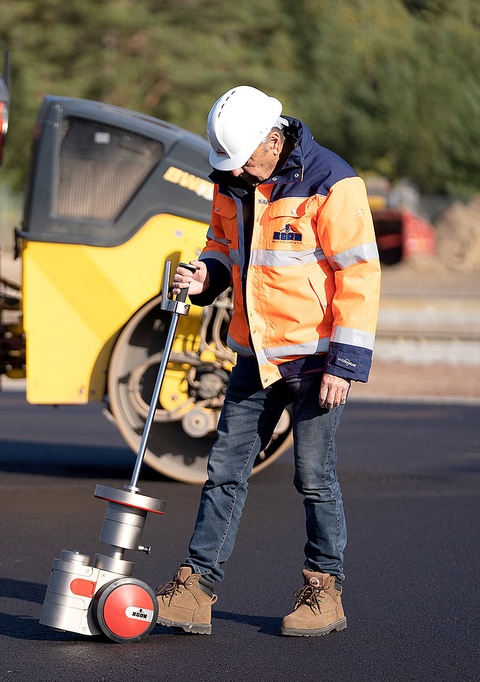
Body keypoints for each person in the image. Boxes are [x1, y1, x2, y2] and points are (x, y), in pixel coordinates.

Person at [154, 85, 381, 637]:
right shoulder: (232, 182)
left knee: (314, 478)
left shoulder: (333, 182)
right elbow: (221, 250)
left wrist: (344, 365)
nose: (241, 172)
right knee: (224, 472)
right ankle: (196, 590)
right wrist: (203, 277)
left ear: (273, 140)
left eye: (248, 160)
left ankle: (324, 593)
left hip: (316, 361)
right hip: (255, 356)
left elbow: (359, 274)